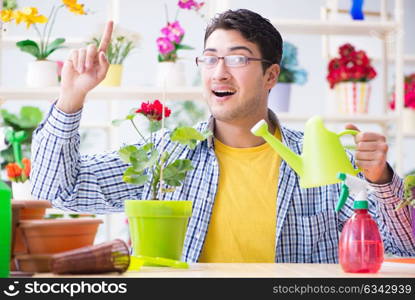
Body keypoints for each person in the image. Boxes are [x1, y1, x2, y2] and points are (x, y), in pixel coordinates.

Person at [31, 9, 415, 263]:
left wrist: (380, 180)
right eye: (210, 58)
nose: (219, 72)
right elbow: (57, 187)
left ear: (270, 76)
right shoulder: (165, 156)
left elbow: (404, 247)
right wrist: (70, 99)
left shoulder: (320, 160)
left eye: (237, 58)